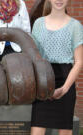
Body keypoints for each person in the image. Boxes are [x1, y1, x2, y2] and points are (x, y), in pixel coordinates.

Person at [31, 0, 83, 135]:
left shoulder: (75, 26)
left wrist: (64, 89)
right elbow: (33, 57)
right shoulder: (38, 23)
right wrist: (39, 84)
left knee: (65, 131)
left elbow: (79, 62)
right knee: (36, 130)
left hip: (66, 80)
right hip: (43, 81)